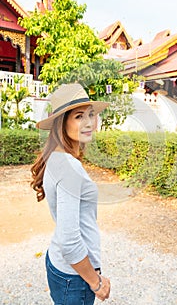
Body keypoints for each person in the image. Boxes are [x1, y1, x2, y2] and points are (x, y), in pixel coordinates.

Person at [31, 83, 111, 305]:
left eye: (91, 114)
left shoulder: (57, 157)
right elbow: (69, 241)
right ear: (61, 123)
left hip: (59, 265)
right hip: (74, 278)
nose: (89, 122)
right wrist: (95, 282)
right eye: (78, 116)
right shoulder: (68, 167)